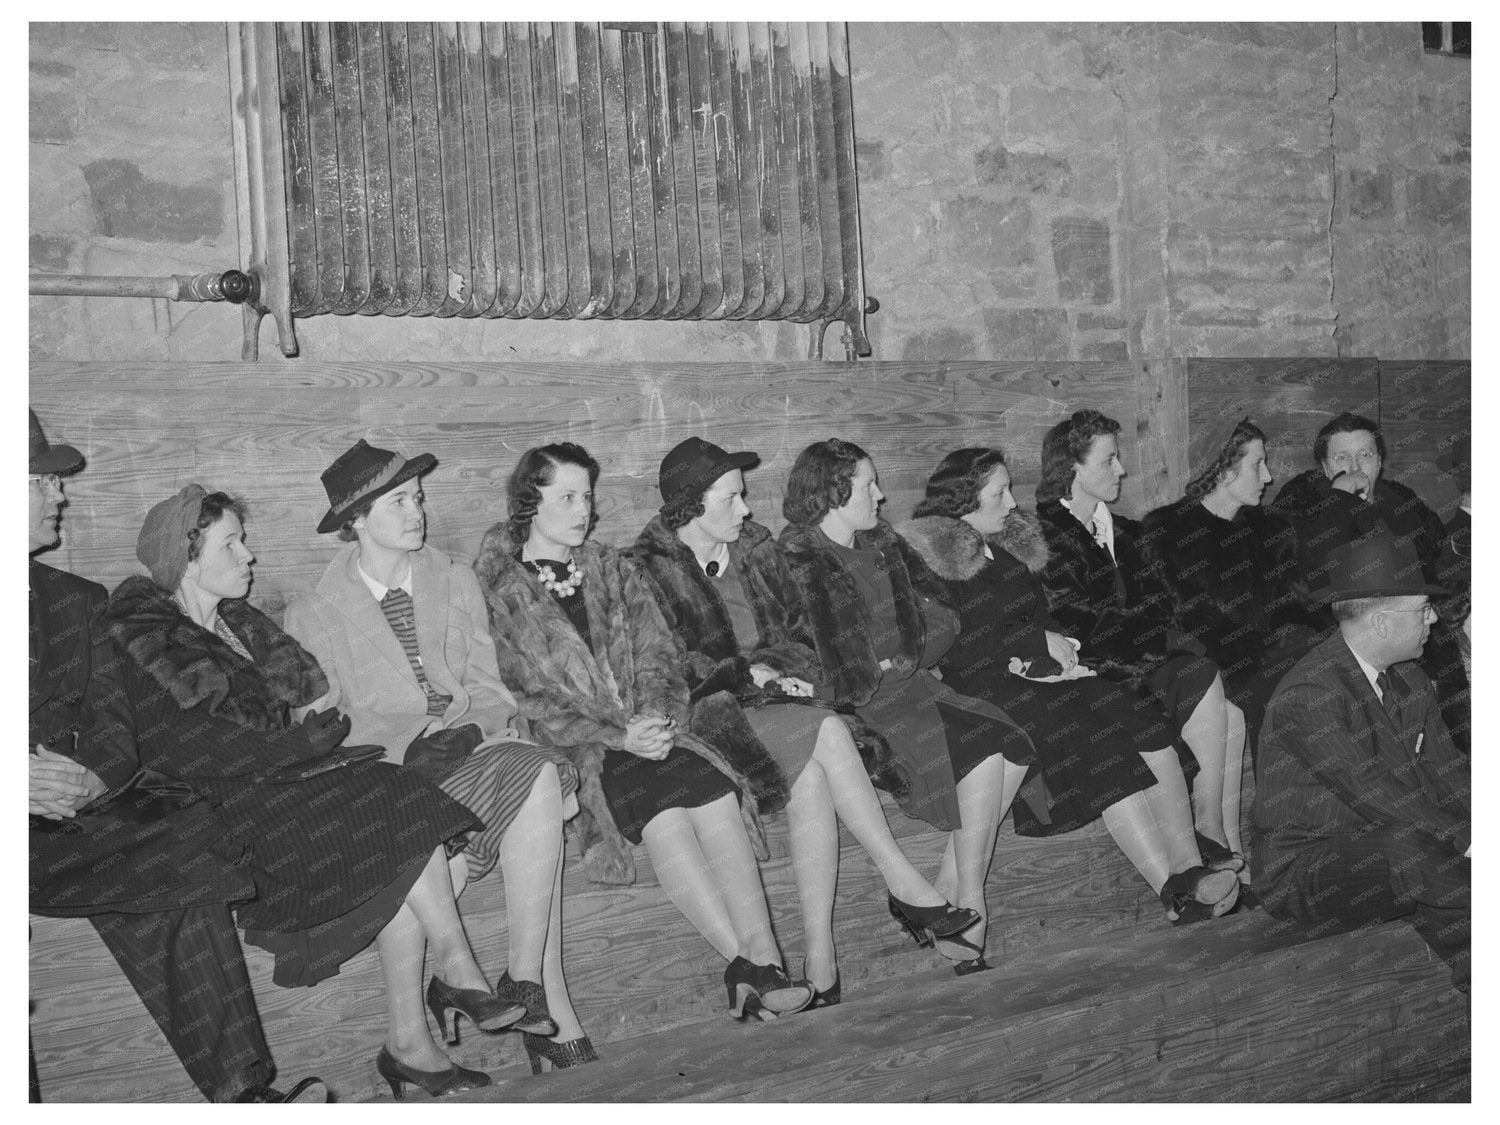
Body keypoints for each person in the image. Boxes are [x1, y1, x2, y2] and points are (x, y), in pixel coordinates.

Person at [93, 484, 527, 1100]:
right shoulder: (148, 642)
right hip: (225, 814)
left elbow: (302, 719)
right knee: (391, 804)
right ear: (187, 557)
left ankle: (417, 1034)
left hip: (288, 788)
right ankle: (453, 979)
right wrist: (298, 749)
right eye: (231, 542)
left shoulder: (244, 629)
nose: (248, 556)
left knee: (395, 804)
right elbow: (180, 753)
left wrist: (320, 742)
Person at [27, 411, 321, 1103]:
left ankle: (242, 1090)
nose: (59, 494)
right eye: (41, 480)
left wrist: (88, 780)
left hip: (66, 820)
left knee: (186, 838)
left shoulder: (76, 600)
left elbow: (114, 728)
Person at [631, 437, 982, 1003]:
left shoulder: (755, 550)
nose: (746, 510)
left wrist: (782, 671)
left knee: (815, 776)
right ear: (691, 504)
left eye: (744, 497)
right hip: (706, 717)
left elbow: (797, 636)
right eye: (731, 499)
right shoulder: (645, 572)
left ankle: (821, 963)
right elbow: (662, 671)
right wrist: (750, 679)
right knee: (828, 729)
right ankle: (903, 880)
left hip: (774, 706)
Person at [283, 439, 595, 1073]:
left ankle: (523, 979)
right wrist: (405, 743)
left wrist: (473, 728)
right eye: (398, 502)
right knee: (415, 842)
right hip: (384, 771)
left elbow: (488, 682)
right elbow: (318, 720)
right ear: (356, 520)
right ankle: (421, 1027)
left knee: (535, 768)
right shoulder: (313, 610)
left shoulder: (451, 578)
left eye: (418, 498)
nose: (416, 511)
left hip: (464, 749)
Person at [474, 443, 813, 1021]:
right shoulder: (499, 588)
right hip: (582, 749)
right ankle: (747, 964)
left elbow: (660, 653)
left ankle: (763, 961)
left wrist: (655, 718)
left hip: (654, 731)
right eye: (568, 498)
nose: (585, 511)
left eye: (588, 497)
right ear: (530, 503)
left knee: (715, 795)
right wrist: (616, 734)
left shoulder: (610, 566)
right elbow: (526, 693)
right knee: (666, 815)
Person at [902, 448, 1241, 924]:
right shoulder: (934, 559)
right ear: (964, 501)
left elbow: (1043, 618)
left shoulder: (1003, 548)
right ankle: (1174, 891)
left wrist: (1063, 647)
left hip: (1038, 673)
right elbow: (951, 645)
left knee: (1144, 721)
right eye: (999, 492)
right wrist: (1033, 640)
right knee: (1106, 757)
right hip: (983, 685)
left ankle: (1188, 866)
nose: (1010, 501)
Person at [778, 439, 1036, 975]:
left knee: (1011, 744)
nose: (880, 493)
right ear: (832, 492)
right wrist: (874, 665)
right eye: (868, 484)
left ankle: (952, 894)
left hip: (913, 686)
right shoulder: (796, 560)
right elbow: (797, 654)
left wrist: (910, 653)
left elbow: (943, 615)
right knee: (984, 752)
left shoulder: (885, 544)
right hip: (859, 707)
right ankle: (971, 905)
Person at [1035, 410, 1248, 878]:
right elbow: (1075, 620)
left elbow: (1162, 605)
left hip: (1137, 662)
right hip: (1093, 673)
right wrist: (1152, 635)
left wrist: (1149, 632)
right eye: (1109, 460)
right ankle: (1207, 834)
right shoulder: (1046, 536)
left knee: (1230, 710)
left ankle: (1220, 840)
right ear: (1072, 467)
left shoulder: (1127, 532)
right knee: (1200, 673)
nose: (1121, 470)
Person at [1251, 536, 1469, 993]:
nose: (1433, 618)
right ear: (1384, 622)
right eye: (1423, 608)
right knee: (1405, 847)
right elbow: (1375, 793)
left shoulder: (1412, 680)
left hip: (1404, 847)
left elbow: (1451, 776)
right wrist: (1472, 845)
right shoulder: (1309, 694)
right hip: (1309, 867)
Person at [1141, 417, 1325, 746]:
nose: (1268, 477)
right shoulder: (1171, 534)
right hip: (1219, 670)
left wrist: (1294, 632)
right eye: (1258, 464)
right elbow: (1187, 624)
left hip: (1275, 659)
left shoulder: (1270, 530)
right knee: (1280, 685)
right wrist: (1260, 652)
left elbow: (1295, 604)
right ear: (1225, 471)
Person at [1267, 411, 1448, 595]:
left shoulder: (1405, 507)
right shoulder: (1304, 511)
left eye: (1365, 455)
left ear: (1378, 461)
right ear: (1326, 468)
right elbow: (1313, 581)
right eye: (1342, 458)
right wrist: (1341, 498)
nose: (1355, 467)